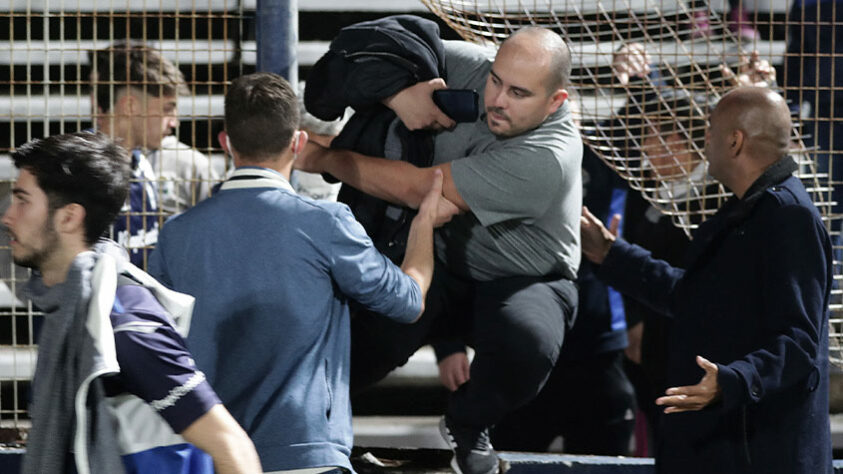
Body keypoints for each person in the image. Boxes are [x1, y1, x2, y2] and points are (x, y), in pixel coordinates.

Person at [298, 24, 581, 474]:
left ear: (556, 102)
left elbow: (418, 190)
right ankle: (303, 441)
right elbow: (359, 51)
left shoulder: (548, 157)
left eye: (519, 93)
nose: (496, 100)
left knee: (528, 342)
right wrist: (396, 93)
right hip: (439, 258)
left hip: (522, 279)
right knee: (345, 347)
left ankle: (469, 423)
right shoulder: (469, 66)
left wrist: (321, 158)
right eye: (496, 81)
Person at [148, 72, 451, 473]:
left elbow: (161, 352)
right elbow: (409, 300)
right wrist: (423, 224)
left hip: (211, 458)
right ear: (298, 142)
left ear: (226, 141)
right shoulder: (325, 223)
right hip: (307, 454)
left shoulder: (176, 236)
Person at [580, 87, 833, 473]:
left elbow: (800, 340)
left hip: (758, 454)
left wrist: (733, 380)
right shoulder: (746, 212)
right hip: (727, 446)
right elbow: (691, 296)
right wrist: (611, 254)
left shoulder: (788, 217)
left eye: (710, 131)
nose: (705, 141)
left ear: (734, 141)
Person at [5, 132, 261, 474]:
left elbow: (233, 447)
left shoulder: (124, 323)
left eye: (23, 201)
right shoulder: (70, 310)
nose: (8, 216)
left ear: (68, 217)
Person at [89, 43, 188, 266]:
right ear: (131, 106)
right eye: (167, 109)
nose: (175, 122)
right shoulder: (77, 169)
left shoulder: (141, 164)